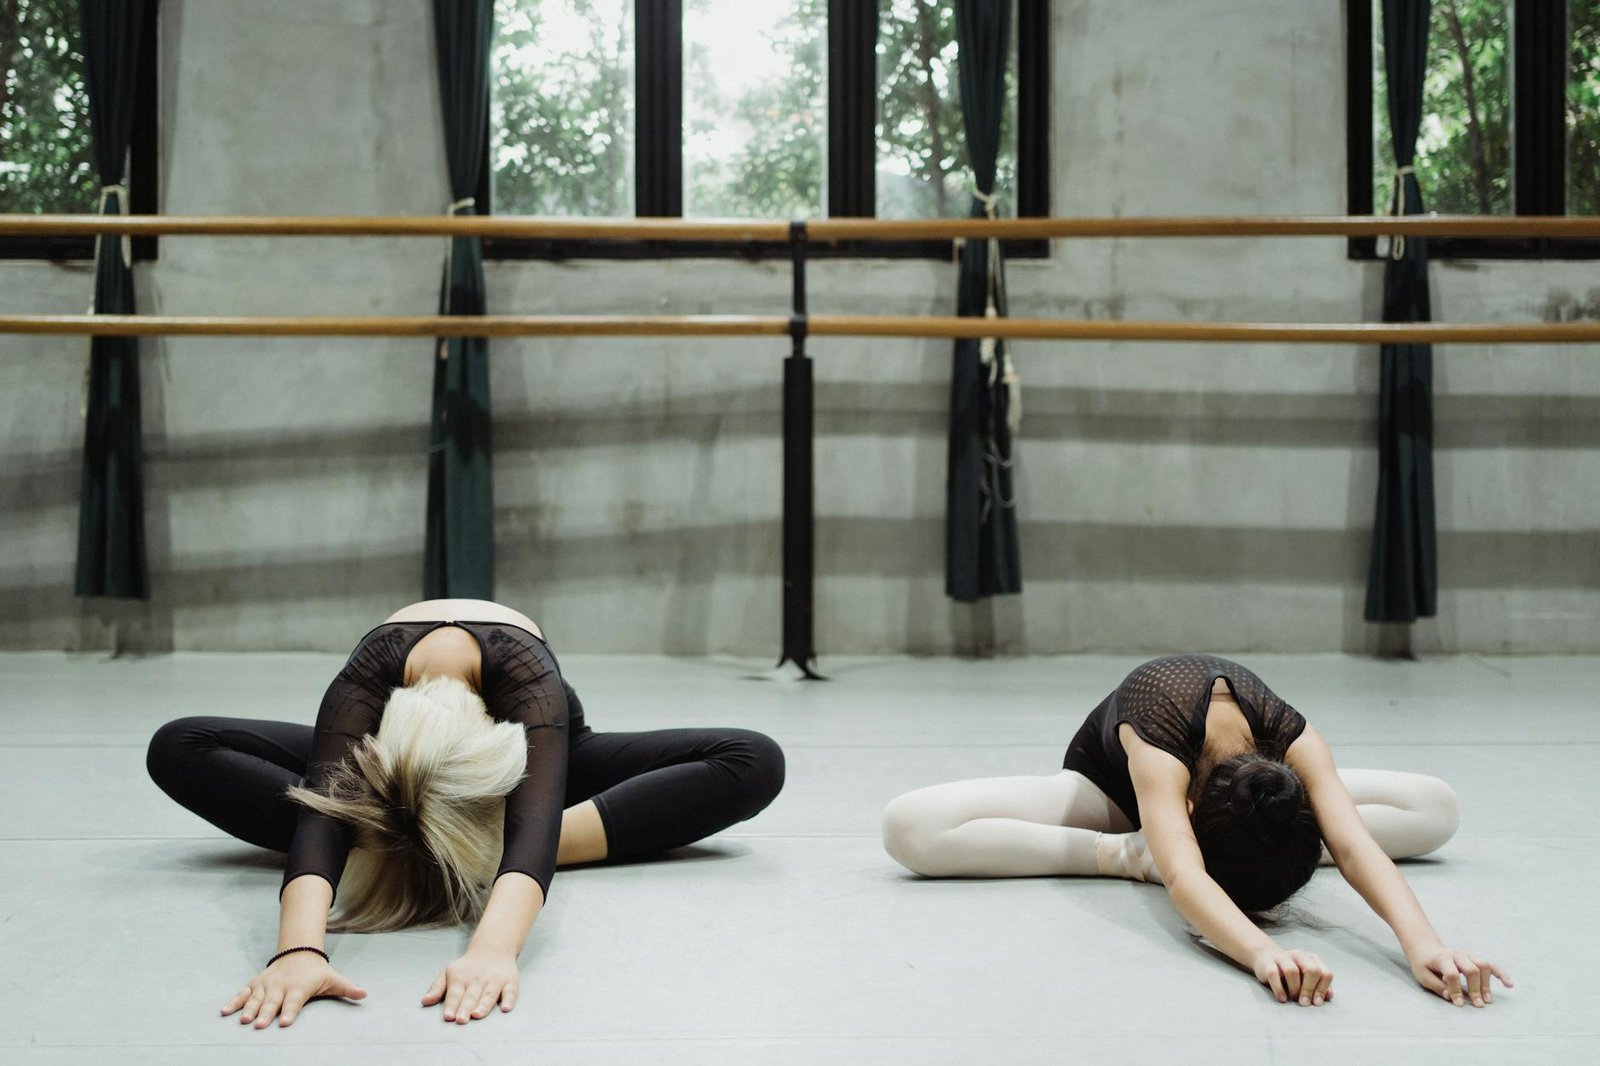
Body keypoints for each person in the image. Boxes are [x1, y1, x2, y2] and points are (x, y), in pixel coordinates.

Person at [146, 599, 786, 1028]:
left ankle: (449, 841)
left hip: (537, 751)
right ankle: (416, 827)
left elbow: (534, 827)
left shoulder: (527, 688)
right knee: (179, 744)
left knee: (754, 759)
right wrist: (298, 952)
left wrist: (493, 948)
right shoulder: (364, 691)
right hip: (394, 777)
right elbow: (323, 816)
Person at [880, 654, 1510, 1009]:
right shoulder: (1160, 749)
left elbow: (1350, 844)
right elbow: (1183, 877)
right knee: (910, 826)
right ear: (1189, 819)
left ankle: (1244, 841)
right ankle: (1131, 856)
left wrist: (1424, 944)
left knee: (1435, 808)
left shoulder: (1291, 739)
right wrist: (1264, 954)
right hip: (1112, 793)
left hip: (1229, 807)